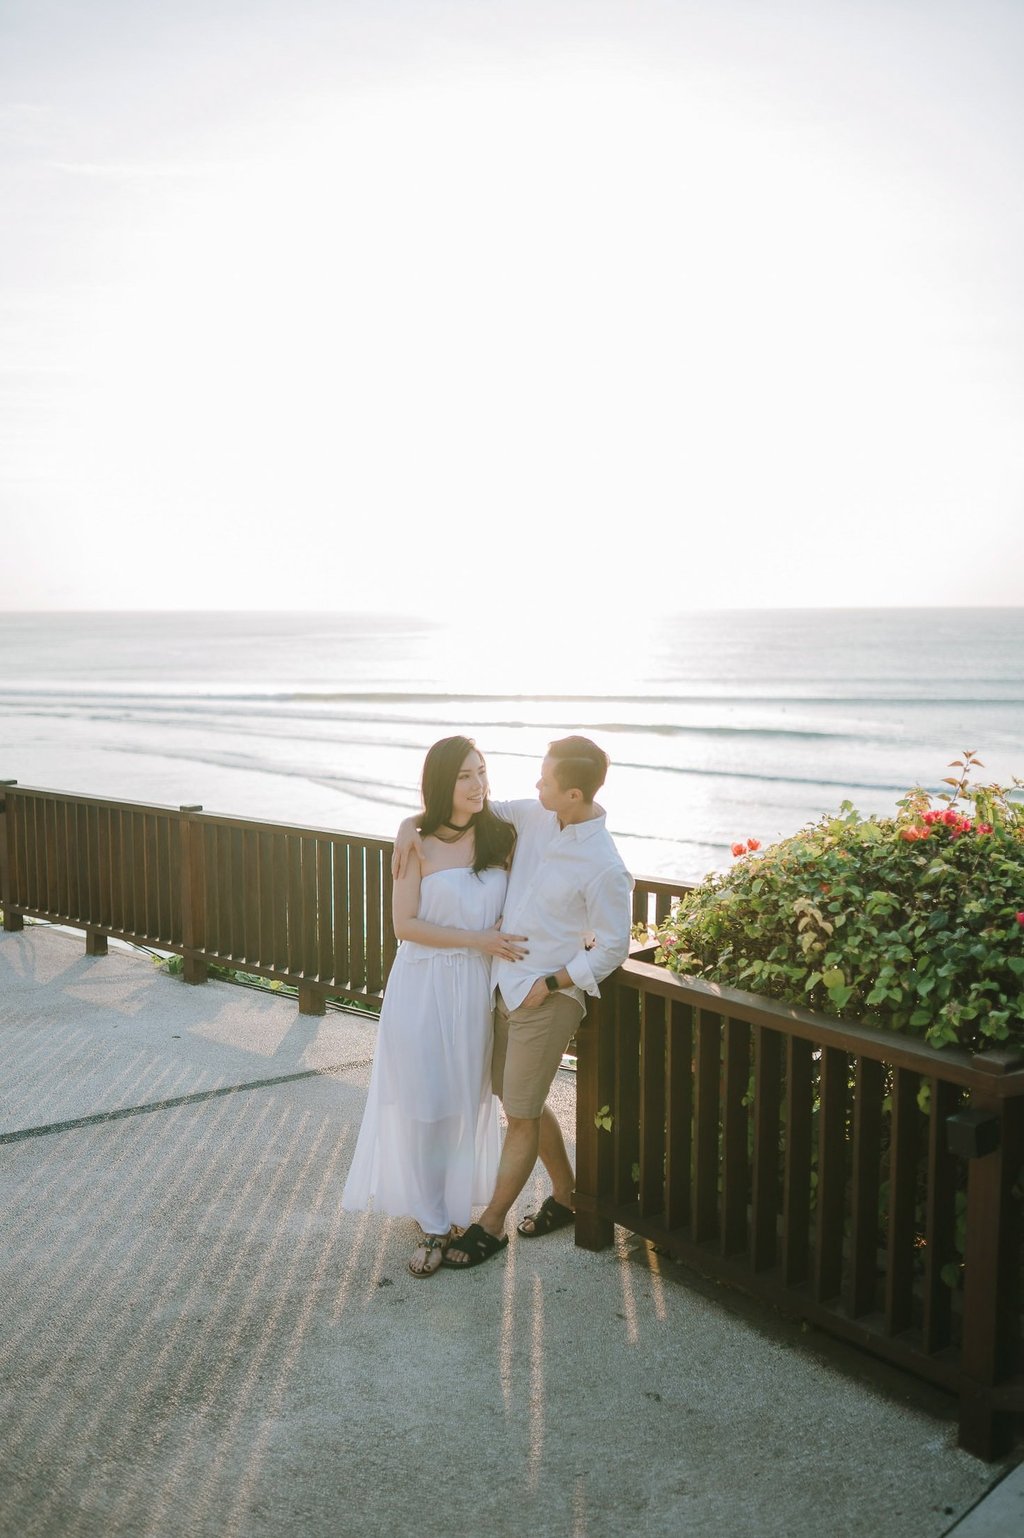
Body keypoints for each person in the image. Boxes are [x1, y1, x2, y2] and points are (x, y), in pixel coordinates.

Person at [392, 735, 633, 1270]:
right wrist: (408, 826)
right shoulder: (535, 815)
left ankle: (491, 1225)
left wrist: (555, 981)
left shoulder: (605, 865)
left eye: (545, 779)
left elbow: (615, 944)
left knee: (519, 1112)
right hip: (502, 985)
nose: (535, 784)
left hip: (546, 997)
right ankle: (566, 1195)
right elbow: (459, 806)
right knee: (511, 1094)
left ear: (572, 792)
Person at [341, 737, 526, 1277]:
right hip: (423, 986)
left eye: (483, 772)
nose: (478, 785)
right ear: (441, 781)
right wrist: (478, 940)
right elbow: (406, 926)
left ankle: (452, 1206)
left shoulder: (501, 835)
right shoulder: (416, 842)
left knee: (464, 1101)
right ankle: (433, 1223)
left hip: (475, 989)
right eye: (465, 776)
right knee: (425, 1101)